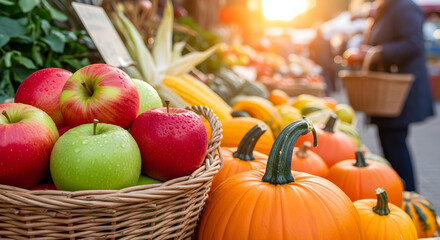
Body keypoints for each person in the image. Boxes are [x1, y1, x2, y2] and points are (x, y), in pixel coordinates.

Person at [344, 0, 435, 191]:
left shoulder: (404, 7)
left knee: (395, 143)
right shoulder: (384, 8)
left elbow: (413, 44)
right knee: (390, 142)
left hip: (397, 89)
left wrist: (375, 53)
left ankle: (409, 195)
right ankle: (399, 191)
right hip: (385, 89)